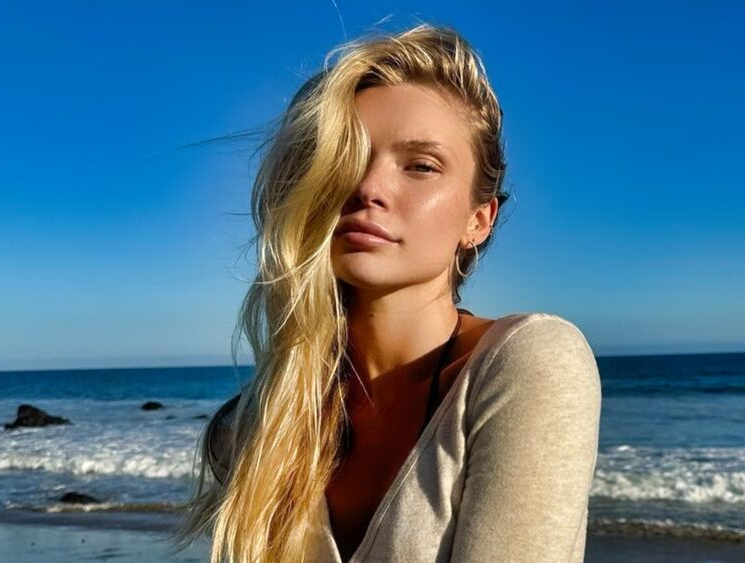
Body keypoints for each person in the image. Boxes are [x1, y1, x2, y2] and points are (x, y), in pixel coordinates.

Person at [171, 23, 602, 563]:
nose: (368, 189)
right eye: (345, 159)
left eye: (421, 166)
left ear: (478, 219)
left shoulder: (529, 362)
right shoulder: (262, 426)